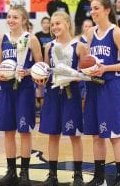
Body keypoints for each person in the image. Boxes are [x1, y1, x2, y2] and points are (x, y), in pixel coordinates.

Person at [84, 0, 120, 186]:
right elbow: (89, 60)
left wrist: (106, 68)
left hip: (110, 87)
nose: (93, 12)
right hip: (93, 86)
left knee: (115, 135)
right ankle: (99, 178)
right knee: (97, 135)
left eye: (96, 8)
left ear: (107, 10)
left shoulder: (116, 32)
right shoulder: (90, 33)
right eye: (91, 9)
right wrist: (85, 71)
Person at [34, 11, 87, 186]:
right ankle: (52, 174)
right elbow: (45, 71)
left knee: (75, 135)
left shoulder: (79, 46)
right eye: (53, 24)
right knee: (53, 135)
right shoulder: (48, 47)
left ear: (67, 24)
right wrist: (40, 78)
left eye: (58, 23)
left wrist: (72, 75)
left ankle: (78, 175)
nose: (54, 27)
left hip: (71, 94)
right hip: (53, 94)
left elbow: (85, 73)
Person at [0, 5, 42, 186]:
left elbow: (41, 68)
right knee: (8, 131)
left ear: (23, 20)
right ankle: (11, 172)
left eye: (15, 17)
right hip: (6, 89)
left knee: (24, 131)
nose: (11, 20)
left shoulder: (32, 39)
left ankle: (24, 174)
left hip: (25, 90)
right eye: (9, 17)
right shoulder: (2, 39)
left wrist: (28, 71)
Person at [34, 16, 53, 115]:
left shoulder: (53, 34)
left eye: (48, 23)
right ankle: (39, 107)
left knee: (48, 85)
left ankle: (47, 107)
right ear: (42, 24)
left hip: (50, 62)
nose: (46, 24)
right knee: (40, 85)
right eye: (44, 22)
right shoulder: (37, 35)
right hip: (40, 62)